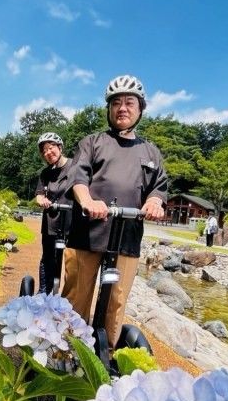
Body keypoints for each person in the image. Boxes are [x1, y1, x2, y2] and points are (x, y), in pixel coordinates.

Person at [62, 74, 167, 348]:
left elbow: (158, 188)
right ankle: (64, 352)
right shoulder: (93, 142)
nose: (122, 108)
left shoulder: (151, 152)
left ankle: (105, 357)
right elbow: (78, 179)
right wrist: (87, 201)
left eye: (129, 102)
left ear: (140, 109)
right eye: (116, 102)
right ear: (109, 109)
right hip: (87, 233)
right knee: (75, 297)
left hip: (127, 238)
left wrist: (155, 202)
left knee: (116, 302)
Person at [34, 132, 73, 293]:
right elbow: (39, 194)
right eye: (44, 151)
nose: (47, 153)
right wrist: (41, 199)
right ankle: (43, 291)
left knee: (73, 262)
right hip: (51, 221)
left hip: (72, 222)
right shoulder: (46, 173)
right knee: (48, 258)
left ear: (60, 147)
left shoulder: (75, 166)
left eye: (50, 148)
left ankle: (70, 298)